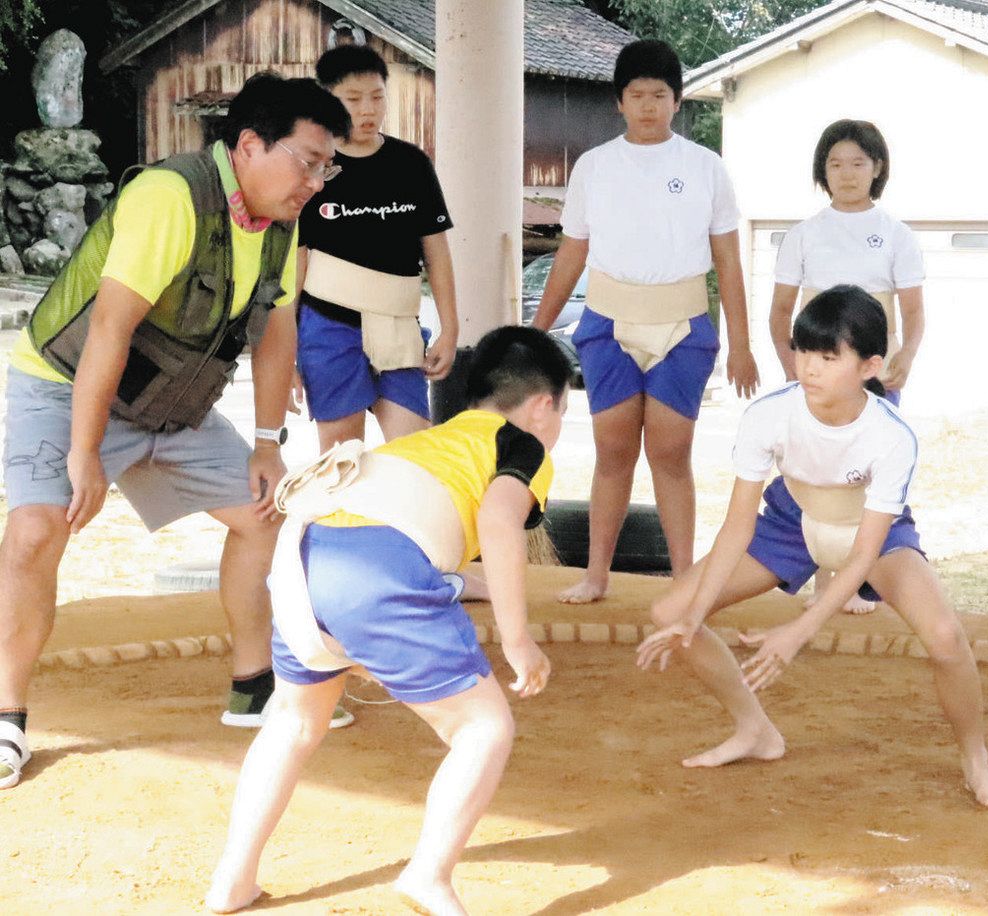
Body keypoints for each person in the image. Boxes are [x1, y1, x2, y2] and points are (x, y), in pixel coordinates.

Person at [0, 73, 354, 791]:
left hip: (170, 402)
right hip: (68, 386)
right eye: (308, 161)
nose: (317, 182)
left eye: (327, 167)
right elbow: (109, 327)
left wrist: (264, 443)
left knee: (267, 511)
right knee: (36, 530)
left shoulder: (282, 220)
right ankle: (6, 714)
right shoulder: (170, 195)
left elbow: (278, 325)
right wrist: (83, 450)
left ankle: (254, 684)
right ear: (250, 146)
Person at [205, 326, 570, 915]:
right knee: (484, 730)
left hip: (302, 562)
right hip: (379, 574)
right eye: (560, 415)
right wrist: (518, 638)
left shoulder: (427, 444)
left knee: (294, 723)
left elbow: (412, 522)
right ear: (543, 405)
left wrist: (464, 586)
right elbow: (501, 524)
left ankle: (232, 878)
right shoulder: (521, 443)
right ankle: (428, 874)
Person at [636, 286, 988, 808]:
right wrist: (695, 612)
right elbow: (737, 525)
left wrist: (797, 632)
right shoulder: (769, 416)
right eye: (803, 351)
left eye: (828, 356)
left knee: (946, 637)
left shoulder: (892, 435)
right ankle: (755, 730)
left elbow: (861, 558)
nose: (809, 367)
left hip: (872, 533)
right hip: (792, 520)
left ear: (870, 366)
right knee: (670, 610)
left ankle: (976, 761)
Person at [532, 38, 759, 605]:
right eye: (637, 95)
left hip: (681, 325)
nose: (649, 105)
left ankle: (684, 580)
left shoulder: (706, 168)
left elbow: (729, 260)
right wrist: (537, 328)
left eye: (660, 94)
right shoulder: (594, 166)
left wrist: (741, 344)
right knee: (612, 452)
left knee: (670, 451)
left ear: (677, 101)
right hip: (609, 322)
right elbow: (571, 252)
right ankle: (596, 575)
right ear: (620, 102)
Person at [769, 118, 925, 615]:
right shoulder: (804, 235)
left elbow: (915, 311)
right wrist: (793, 367)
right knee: (815, 470)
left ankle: (861, 580)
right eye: (835, 164)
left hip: (872, 371)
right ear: (823, 171)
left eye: (858, 163)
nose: (847, 173)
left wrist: (905, 357)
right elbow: (779, 312)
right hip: (815, 369)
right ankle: (821, 577)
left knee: (868, 472)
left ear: (877, 168)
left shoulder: (896, 234)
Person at [293, 44, 459, 451]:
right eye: (352, 99)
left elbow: (436, 252)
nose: (367, 110)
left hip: (398, 324)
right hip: (328, 326)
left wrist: (450, 327)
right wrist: (287, 347)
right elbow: (295, 259)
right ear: (329, 100)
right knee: (341, 459)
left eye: (377, 97)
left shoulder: (411, 163)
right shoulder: (313, 168)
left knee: (414, 453)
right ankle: (333, 519)